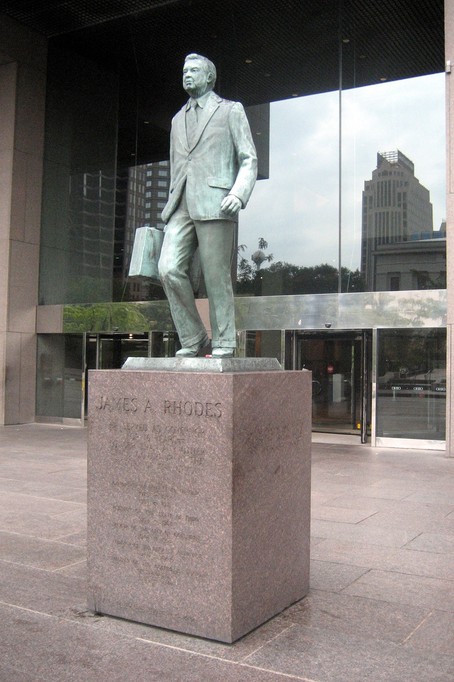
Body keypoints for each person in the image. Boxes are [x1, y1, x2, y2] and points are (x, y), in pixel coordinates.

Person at [158, 53, 257, 358]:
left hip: (217, 203)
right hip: (181, 205)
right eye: (184, 71)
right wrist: (171, 202)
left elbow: (249, 158)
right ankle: (194, 337)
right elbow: (179, 163)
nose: (187, 75)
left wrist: (238, 194)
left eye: (194, 71)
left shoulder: (230, 110)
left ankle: (225, 341)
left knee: (216, 279)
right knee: (168, 268)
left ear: (210, 77)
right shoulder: (177, 120)